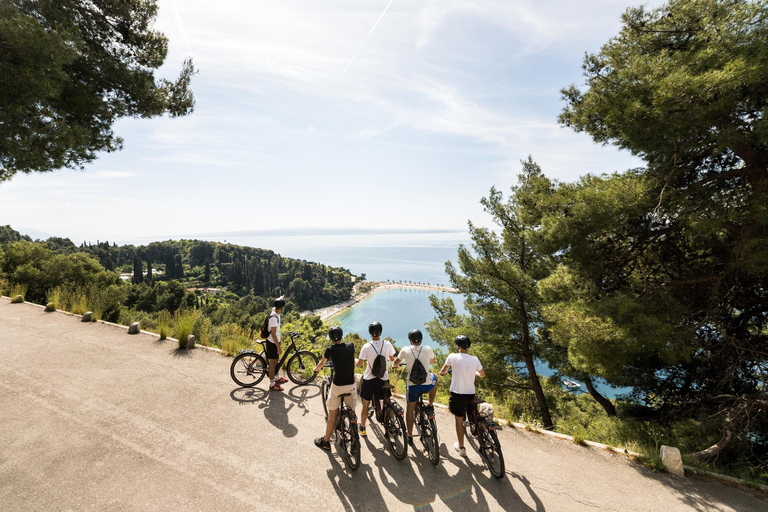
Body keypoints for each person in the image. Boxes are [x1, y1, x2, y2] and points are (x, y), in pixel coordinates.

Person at [439, 334, 485, 457]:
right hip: (470, 394)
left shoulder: (452, 356)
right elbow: (482, 374)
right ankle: (485, 437)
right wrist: (473, 373)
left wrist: (443, 372)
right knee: (474, 415)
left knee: (459, 420)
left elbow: (443, 370)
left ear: (457, 346)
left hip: (457, 395)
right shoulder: (474, 359)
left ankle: (461, 448)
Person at [313, 326, 357, 451]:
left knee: (332, 414)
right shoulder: (351, 345)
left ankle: (326, 442)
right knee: (352, 412)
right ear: (342, 335)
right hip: (351, 386)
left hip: (338, 387)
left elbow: (321, 364)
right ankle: (354, 444)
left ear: (331, 338)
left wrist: (316, 369)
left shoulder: (330, 349)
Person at [393, 329, 438, 443]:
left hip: (413, 386)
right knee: (435, 376)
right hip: (427, 385)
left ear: (410, 340)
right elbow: (432, 361)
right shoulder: (427, 349)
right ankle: (430, 404)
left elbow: (396, 363)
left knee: (410, 410)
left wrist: (395, 366)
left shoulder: (405, 350)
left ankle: (409, 436)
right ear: (421, 339)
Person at [355, 321, 396, 437]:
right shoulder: (387, 344)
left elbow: (359, 363)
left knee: (365, 403)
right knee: (387, 400)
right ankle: (392, 424)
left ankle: (362, 428)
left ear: (370, 333)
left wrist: (354, 360)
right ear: (380, 332)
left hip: (369, 379)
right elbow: (392, 358)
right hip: (383, 378)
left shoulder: (366, 347)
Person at [266, 296, 288, 391]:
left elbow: (278, 301)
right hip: (272, 342)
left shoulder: (274, 309)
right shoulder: (273, 318)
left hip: (276, 341)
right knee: (272, 363)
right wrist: (278, 347)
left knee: (276, 360)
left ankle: (277, 377)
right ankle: (272, 384)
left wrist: (281, 297)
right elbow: (273, 334)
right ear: (281, 307)